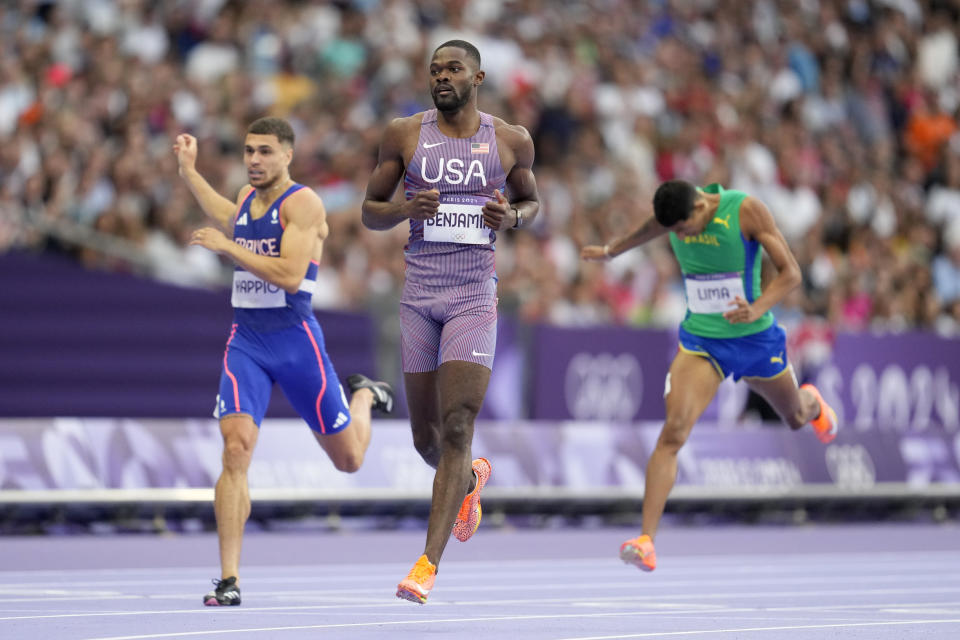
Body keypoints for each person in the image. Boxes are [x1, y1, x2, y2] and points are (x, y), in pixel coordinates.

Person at [173, 117, 395, 607]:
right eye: (249, 150)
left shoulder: (304, 203)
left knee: (350, 460)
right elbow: (227, 213)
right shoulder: (248, 200)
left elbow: (292, 276)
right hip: (247, 343)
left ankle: (363, 394)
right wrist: (189, 172)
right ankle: (229, 580)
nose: (254, 160)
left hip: (296, 344)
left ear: (287, 156)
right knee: (236, 450)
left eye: (265, 152)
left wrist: (227, 247)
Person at [581, 179, 838, 572]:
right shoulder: (676, 213)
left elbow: (791, 273)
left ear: (702, 206)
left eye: (684, 228)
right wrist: (613, 251)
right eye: (677, 231)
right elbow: (652, 227)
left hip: (753, 339)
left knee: (795, 418)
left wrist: (757, 307)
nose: (681, 235)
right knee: (674, 432)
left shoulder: (746, 210)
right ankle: (646, 540)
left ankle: (813, 402)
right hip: (703, 342)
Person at [361, 40, 540, 604]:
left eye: (453, 68)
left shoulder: (510, 140)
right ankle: (466, 479)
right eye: (435, 69)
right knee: (426, 439)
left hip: (472, 295)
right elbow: (370, 210)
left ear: (477, 76)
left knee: (458, 424)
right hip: (419, 297)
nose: (441, 76)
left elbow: (533, 204)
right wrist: (404, 211)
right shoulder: (404, 135)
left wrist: (510, 216)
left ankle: (425, 565)